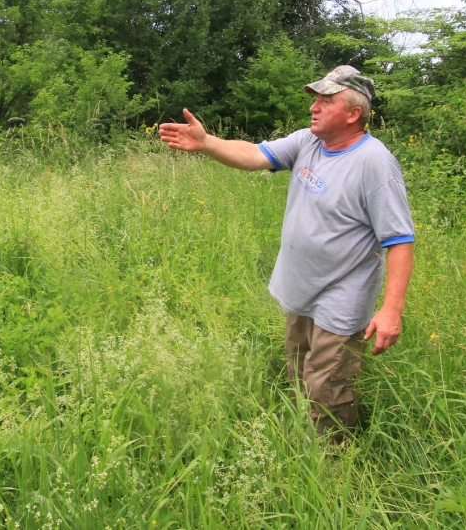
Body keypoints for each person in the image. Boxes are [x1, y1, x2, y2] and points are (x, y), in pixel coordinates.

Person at [159, 65, 415, 438]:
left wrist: (392, 309)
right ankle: (301, 443)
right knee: (299, 372)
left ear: (353, 113)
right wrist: (207, 143)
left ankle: (332, 468)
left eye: (326, 101)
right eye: (315, 99)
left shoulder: (374, 164)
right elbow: (254, 155)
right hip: (302, 290)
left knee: (326, 388)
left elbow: (399, 240)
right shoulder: (308, 141)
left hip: (342, 295)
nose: (314, 107)